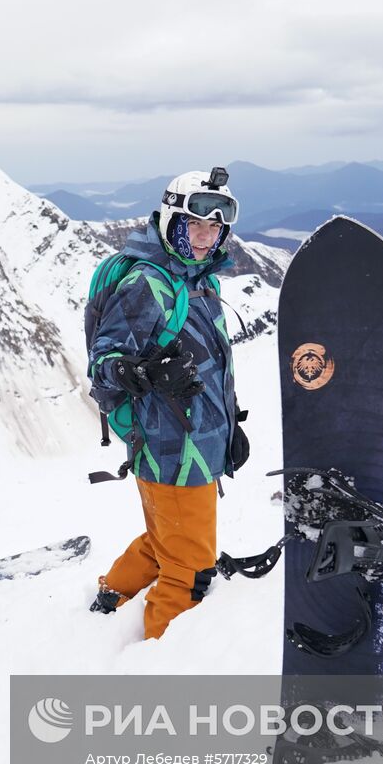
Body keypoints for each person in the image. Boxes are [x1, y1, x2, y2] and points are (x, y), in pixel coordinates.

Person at [86, 169, 243, 639]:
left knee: (165, 540)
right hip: (173, 449)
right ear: (171, 219)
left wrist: (229, 428)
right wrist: (145, 372)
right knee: (191, 568)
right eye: (194, 225)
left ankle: (110, 596)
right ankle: (158, 660)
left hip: (194, 441)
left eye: (214, 228)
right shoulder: (148, 284)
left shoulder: (197, 282)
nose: (204, 237)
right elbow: (105, 362)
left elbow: (209, 369)